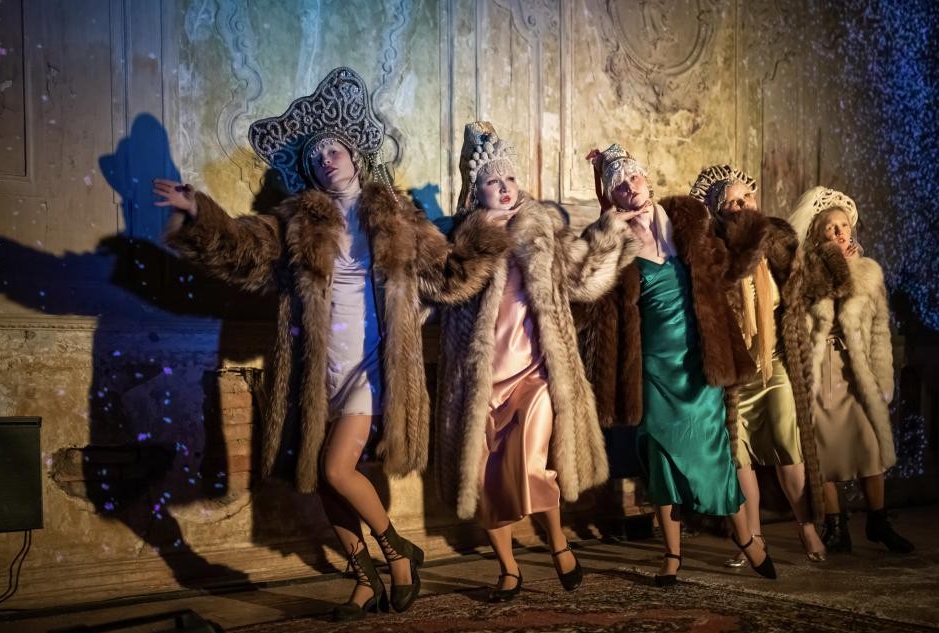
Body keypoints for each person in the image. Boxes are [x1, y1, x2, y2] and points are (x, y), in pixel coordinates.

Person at [153, 68, 508, 620]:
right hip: (318, 371)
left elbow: (450, 275)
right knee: (320, 476)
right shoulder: (298, 219)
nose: (325, 158)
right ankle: (364, 581)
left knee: (339, 468)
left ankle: (397, 552)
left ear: (355, 157)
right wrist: (199, 214)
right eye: (316, 154)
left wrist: (486, 227)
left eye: (333, 149)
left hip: (370, 365)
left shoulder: (395, 215)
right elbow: (245, 251)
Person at [434, 122, 642, 601]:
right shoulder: (463, 238)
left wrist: (610, 226)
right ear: (477, 190)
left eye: (509, 178)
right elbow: (444, 290)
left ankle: (558, 543)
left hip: (535, 371)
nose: (505, 188)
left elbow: (584, 278)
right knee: (484, 477)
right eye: (493, 181)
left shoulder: (540, 226)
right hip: (481, 381)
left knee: (531, 462)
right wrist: (479, 239)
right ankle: (508, 569)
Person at [577, 145, 777, 585]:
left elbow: (726, 269)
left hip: (698, 359)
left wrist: (746, 224)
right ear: (612, 196)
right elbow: (585, 296)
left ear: (646, 177)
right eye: (619, 186)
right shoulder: (613, 239)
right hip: (652, 368)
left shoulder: (686, 219)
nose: (631, 188)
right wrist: (607, 231)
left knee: (714, 455)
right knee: (660, 459)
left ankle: (746, 537)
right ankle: (671, 554)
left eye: (634, 177)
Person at [689, 166, 825, 565]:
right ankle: (752, 537)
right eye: (731, 202)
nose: (741, 206)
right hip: (735, 371)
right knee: (740, 456)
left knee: (788, 445)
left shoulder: (779, 241)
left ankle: (807, 526)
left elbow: (805, 290)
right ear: (719, 211)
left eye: (745, 198)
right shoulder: (712, 252)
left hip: (773, 362)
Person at [790, 186, 914, 555]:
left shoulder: (868, 272)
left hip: (855, 370)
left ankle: (878, 520)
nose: (840, 232)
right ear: (818, 233)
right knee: (824, 452)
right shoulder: (807, 272)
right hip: (823, 369)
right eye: (831, 227)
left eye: (844, 225)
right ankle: (836, 525)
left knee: (870, 448)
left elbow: (879, 330)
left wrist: (883, 378)